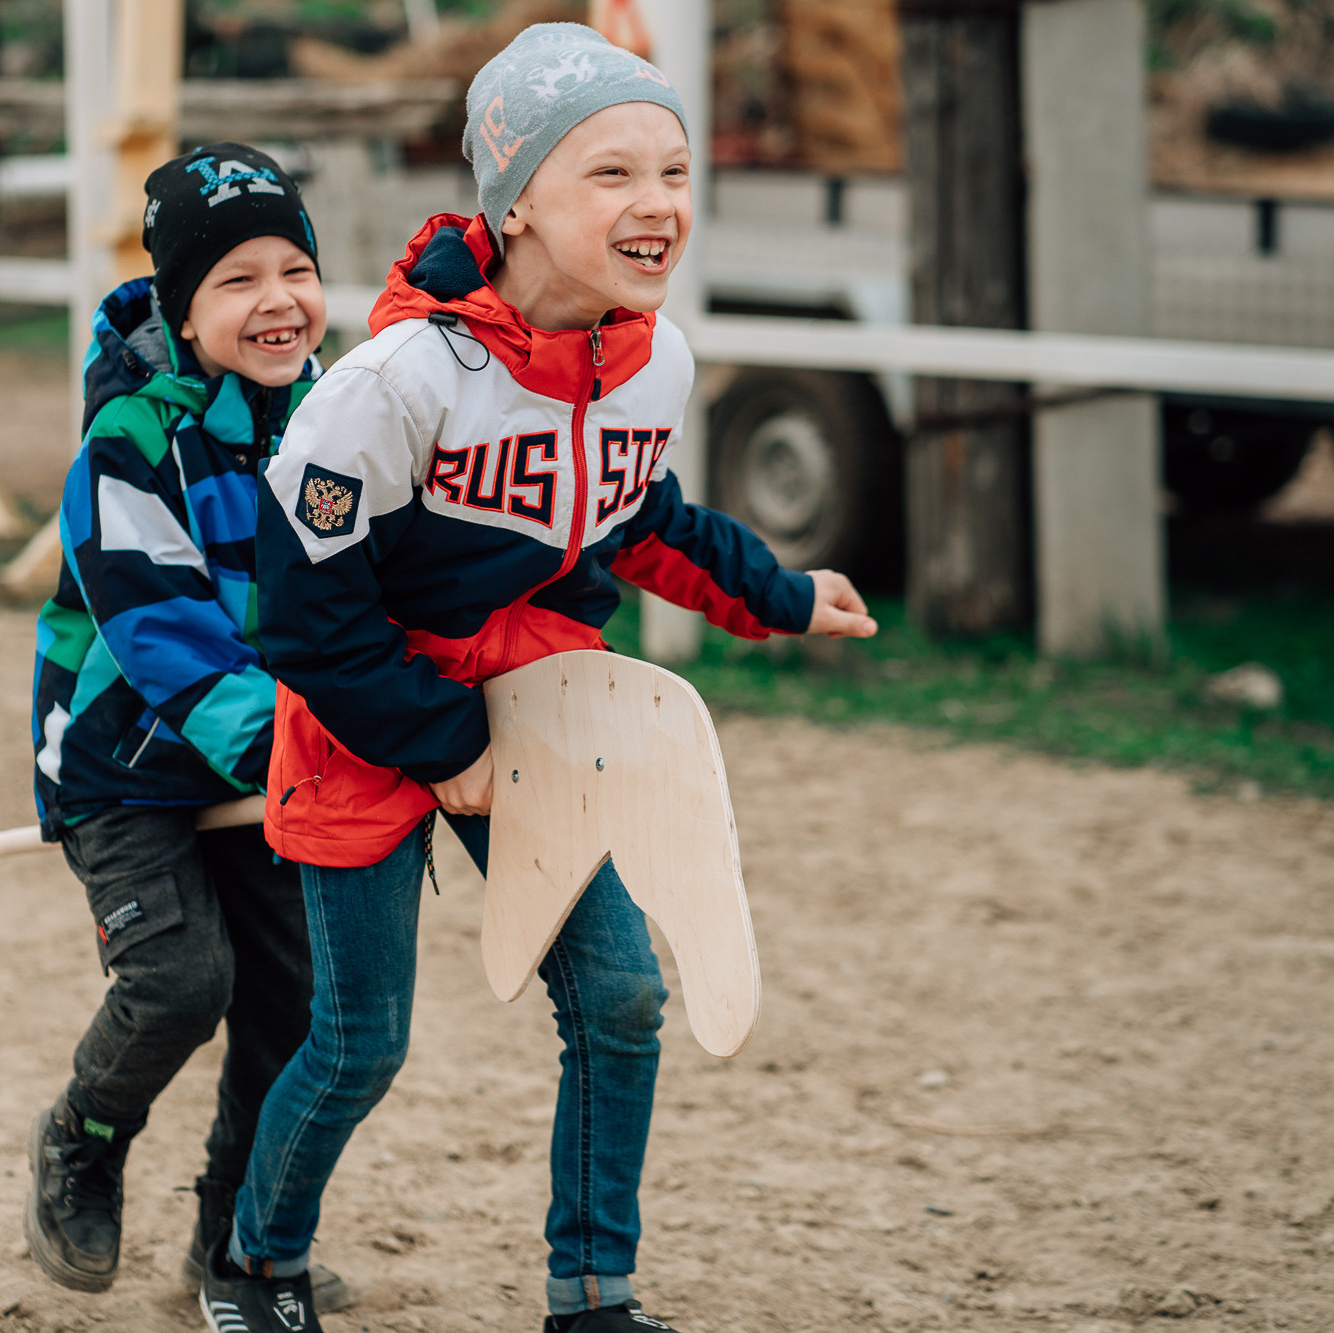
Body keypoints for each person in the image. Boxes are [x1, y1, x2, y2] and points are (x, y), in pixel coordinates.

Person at [196, 24, 878, 1333]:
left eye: (674, 173)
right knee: (357, 1041)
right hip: (368, 712)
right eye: (609, 174)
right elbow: (307, 613)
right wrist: (440, 745)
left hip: (537, 703)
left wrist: (783, 594)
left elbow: (643, 516)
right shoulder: (394, 385)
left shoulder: (652, 360)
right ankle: (257, 1265)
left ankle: (592, 1297)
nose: (657, 205)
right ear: (512, 204)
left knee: (621, 997)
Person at [24, 141, 353, 1312]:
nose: (275, 301)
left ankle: (235, 1239)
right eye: (235, 280)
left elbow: (374, 583)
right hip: (126, 759)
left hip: (271, 765)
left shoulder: (338, 417)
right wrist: (300, 746)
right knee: (178, 982)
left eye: (292, 269)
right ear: (180, 302)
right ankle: (83, 1136)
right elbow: (163, 634)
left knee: (303, 1002)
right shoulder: (130, 446)